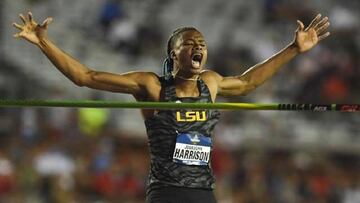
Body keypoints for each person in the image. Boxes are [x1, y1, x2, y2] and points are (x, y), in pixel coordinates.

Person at [13, 12, 330, 203]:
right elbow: (85, 76)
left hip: (203, 192)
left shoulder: (211, 83)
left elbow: (248, 83)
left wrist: (293, 49)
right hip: (166, 193)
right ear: (173, 53)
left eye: (202, 43)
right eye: (190, 42)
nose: (199, 46)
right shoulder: (152, 86)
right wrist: (44, 42)